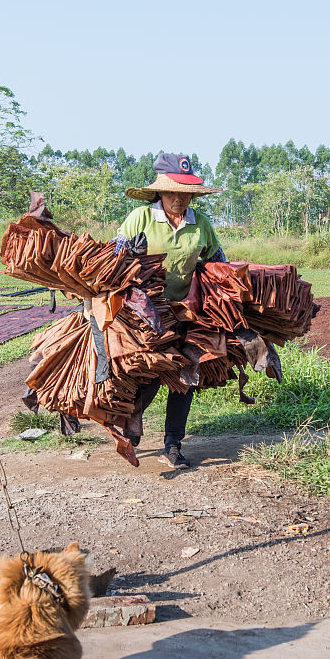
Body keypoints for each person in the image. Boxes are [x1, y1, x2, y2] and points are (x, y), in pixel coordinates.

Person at [118, 152, 226, 469]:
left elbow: (219, 262)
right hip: (144, 315)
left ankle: (173, 444)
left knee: (186, 374)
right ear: (160, 192)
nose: (179, 199)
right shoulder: (140, 218)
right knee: (151, 372)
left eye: (185, 192)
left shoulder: (200, 224)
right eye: (172, 191)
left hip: (184, 313)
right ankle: (133, 425)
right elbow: (113, 256)